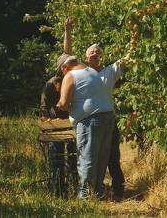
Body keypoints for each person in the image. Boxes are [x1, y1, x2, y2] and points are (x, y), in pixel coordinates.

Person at [63, 18, 129, 201]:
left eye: (97, 53)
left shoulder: (108, 72)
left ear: (102, 56)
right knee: (89, 157)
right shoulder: (79, 72)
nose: (94, 54)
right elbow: (66, 56)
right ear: (85, 58)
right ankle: (92, 192)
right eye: (91, 53)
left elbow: (127, 57)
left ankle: (117, 192)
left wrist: (135, 28)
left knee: (111, 157)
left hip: (107, 118)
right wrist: (68, 32)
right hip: (89, 119)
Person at [56, 54, 115, 199]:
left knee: (87, 157)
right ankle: (98, 192)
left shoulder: (71, 75)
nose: (62, 74)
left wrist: (58, 106)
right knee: (101, 157)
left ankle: (86, 195)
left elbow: (63, 104)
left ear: (65, 67)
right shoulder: (92, 71)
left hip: (90, 120)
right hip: (108, 117)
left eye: (61, 71)